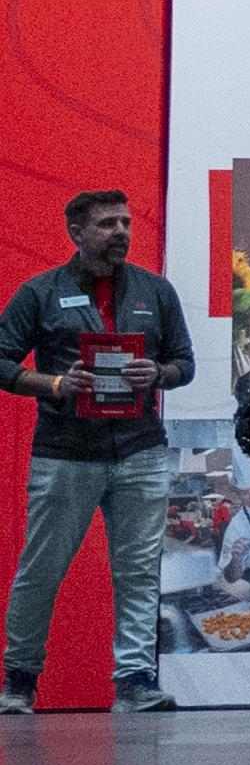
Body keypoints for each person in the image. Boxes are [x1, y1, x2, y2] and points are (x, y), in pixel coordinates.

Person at [1, 191, 199, 711]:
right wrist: (54, 383)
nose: (121, 232)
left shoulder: (156, 293)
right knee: (42, 568)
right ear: (76, 232)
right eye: (108, 223)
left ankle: (134, 681)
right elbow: (1, 361)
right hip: (66, 453)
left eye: (126, 222)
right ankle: (19, 681)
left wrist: (159, 373)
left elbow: (184, 362)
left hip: (141, 451)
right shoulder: (40, 293)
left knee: (138, 570)